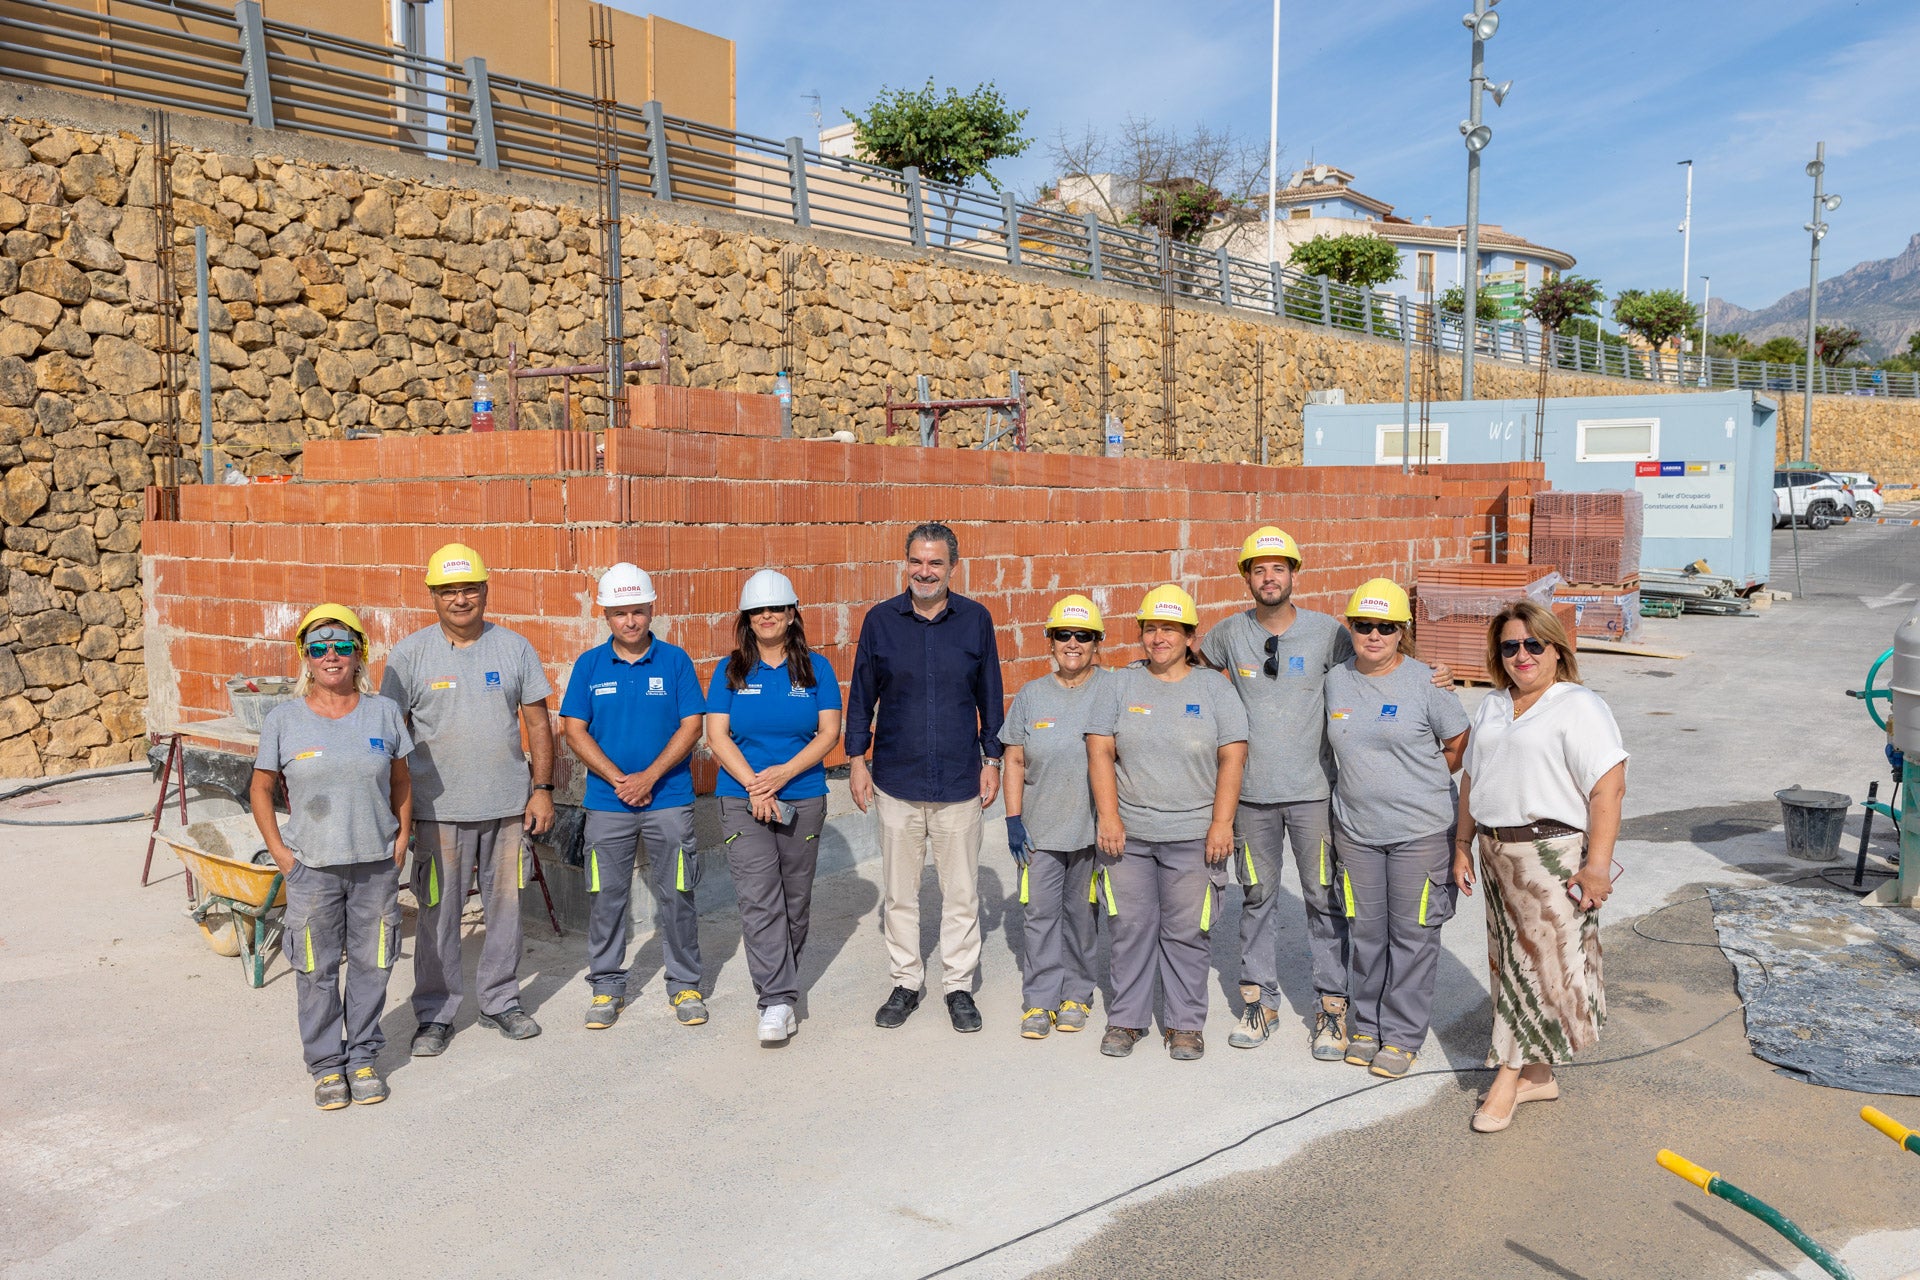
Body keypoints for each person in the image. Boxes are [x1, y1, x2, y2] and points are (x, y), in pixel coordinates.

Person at [1202, 526, 1451, 1059]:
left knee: (1324, 899)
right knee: (1256, 897)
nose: (1269, 577)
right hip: (1251, 797)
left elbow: (1376, 661)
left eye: (1279, 568)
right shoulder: (1227, 635)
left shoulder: (1328, 634)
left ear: (1294, 573)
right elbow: (1190, 674)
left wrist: (1432, 677)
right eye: (1259, 569)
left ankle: (1332, 1007)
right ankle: (1260, 1000)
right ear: (1246, 576)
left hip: (1315, 795)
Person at [1453, 600, 1627, 1133]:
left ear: (1556, 650)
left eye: (1534, 644)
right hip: (1496, 854)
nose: (1521, 655)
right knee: (1510, 965)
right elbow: (1471, 778)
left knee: (1537, 967)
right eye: (1510, 646)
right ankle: (1539, 1073)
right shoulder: (1493, 705)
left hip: (1551, 855)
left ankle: (1507, 1080)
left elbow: (1608, 787)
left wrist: (1597, 867)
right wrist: (1462, 841)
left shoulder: (1579, 706)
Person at [381, 543, 556, 1055]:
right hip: (438, 814)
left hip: (507, 810)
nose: (460, 599)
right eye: (449, 591)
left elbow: (538, 724)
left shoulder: (514, 648)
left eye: (469, 589)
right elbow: (390, 735)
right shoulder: (409, 655)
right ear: (433, 595)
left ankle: (501, 1001)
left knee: (506, 909)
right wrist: (396, 812)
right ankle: (435, 1014)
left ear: (485, 590)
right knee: (438, 914)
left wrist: (542, 791)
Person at [250, 604, 413, 1109]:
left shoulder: (384, 713)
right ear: (305, 656)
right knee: (315, 970)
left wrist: (401, 839)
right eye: (319, 647)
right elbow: (260, 789)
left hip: (375, 866)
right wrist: (281, 854)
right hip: (312, 870)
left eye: (343, 645)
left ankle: (362, 1058)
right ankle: (326, 1067)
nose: (331, 656)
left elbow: (402, 781)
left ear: (360, 653)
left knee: (373, 963)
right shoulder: (284, 720)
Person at [846, 522, 1005, 1033]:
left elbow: (991, 696)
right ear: (906, 563)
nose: (925, 571)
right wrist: (856, 760)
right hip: (897, 780)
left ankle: (958, 986)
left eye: (935, 562)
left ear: (952, 567)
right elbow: (861, 697)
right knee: (900, 894)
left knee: (961, 894)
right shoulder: (880, 621)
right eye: (917, 561)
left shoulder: (976, 620)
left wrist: (992, 760)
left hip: (959, 781)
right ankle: (906, 982)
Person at [1088, 584, 1248, 1061]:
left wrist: (1222, 823)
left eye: (1170, 629)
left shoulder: (1214, 688)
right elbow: (1099, 751)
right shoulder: (1119, 685)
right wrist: (1108, 816)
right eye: (1151, 628)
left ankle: (1184, 1024)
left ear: (1190, 636)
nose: (1159, 638)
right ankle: (1127, 1019)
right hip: (1129, 836)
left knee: (1187, 932)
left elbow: (1233, 756)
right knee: (1129, 929)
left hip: (1193, 836)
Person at [1323, 580, 1469, 1080]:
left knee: (1412, 936)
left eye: (1386, 627)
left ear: (1402, 630)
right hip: (1357, 831)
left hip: (1420, 831)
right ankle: (1366, 1027)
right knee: (1366, 933)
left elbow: (1458, 744)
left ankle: (1403, 1036)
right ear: (1350, 627)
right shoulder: (1336, 680)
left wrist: (1416, 781)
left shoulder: (1427, 682)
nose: (1374, 635)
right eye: (1364, 625)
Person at [559, 563, 707, 1030]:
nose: (630, 621)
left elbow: (692, 726)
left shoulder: (675, 661)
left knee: (678, 893)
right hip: (607, 803)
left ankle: (685, 984)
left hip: (669, 798)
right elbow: (574, 730)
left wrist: (649, 777)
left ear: (651, 610)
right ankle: (606, 986)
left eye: (638, 611)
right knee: (605, 896)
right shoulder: (589, 665)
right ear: (605, 615)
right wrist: (620, 779)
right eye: (620, 613)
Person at [704, 570, 843, 1045]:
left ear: (791, 614)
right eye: (757, 610)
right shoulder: (730, 670)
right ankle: (777, 1000)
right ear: (747, 618)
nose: (766, 616)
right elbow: (716, 735)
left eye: (775, 609)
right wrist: (756, 787)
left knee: (794, 901)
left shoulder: (816, 669)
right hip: (741, 798)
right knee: (759, 898)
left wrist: (783, 775)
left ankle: (780, 987)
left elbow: (829, 732)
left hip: (802, 795)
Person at [999, 594, 1108, 1040]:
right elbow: (1014, 760)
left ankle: (1077, 995)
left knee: (1082, 916)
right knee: (1040, 916)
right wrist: (1013, 819)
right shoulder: (1031, 695)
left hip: (1091, 832)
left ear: (1097, 643)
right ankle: (1040, 999)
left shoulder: (1112, 689)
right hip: (1039, 833)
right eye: (1064, 634)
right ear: (1051, 640)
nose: (1073, 643)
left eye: (1083, 636)